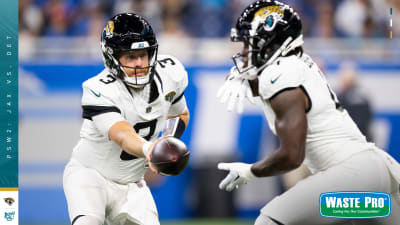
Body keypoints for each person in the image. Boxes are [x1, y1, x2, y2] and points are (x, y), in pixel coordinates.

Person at [216, 1, 400, 225]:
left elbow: (292, 156)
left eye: (249, 44)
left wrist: (251, 171)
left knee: (269, 220)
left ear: (273, 43)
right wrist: (243, 77)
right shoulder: (295, 64)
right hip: (373, 175)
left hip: (353, 175)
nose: (244, 53)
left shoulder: (280, 74)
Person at [63, 13, 189, 225]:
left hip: (133, 183)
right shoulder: (97, 88)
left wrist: (166, 140)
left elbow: (179, 113)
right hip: (91, 175)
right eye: (131, 56)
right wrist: (150, 150)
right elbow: (121, 133)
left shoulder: (169, 73)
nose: (140, 62)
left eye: (143, 54)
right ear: (112, 58)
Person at [337, 62, 373, 142]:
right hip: (363, 139)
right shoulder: (364, 97)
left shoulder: (340, 98)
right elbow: (369, 119)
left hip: (348, 140)